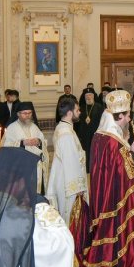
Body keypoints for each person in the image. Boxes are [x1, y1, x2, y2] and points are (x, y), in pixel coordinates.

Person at [71, 90, 134, 267]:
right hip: (115, 194)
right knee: (115, 225)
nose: (130, 118)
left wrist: (127, 148)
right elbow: (124, 171)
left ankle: (103, 256)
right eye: (127, 115)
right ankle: (115, 261)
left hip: (104, 192)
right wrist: (133, 152)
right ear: (120, 117)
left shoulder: (100, 135)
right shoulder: (113, 141)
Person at [46, 95, 87, 225]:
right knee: (70, 215)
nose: (79, 112)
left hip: (63, 177)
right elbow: (71, 163)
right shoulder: (66, 134)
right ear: (70, 113)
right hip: (69, 183)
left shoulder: (62, 127)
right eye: (77, 110)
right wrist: (78, 187)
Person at [2, 101, 49, 192]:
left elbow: (43, 141)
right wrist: (22, 143)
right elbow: (5, 146)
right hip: (21, 166)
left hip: (36, 165)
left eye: (30, 113)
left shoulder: (34, 126)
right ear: (18, 114)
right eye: (25, 113)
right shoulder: (12, 128)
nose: (28, 115)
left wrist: (38, 142)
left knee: (37, 190)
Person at [75, 86, 103, 159]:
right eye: (86, 95)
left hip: (95, 134)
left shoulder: (99, 107)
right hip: (85, 135)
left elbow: (102, 121)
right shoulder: (81, 108)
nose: (88, 97)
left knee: (95, 153)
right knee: (86, 152)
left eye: (90, 95)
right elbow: (78, 122)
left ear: (93, 96)